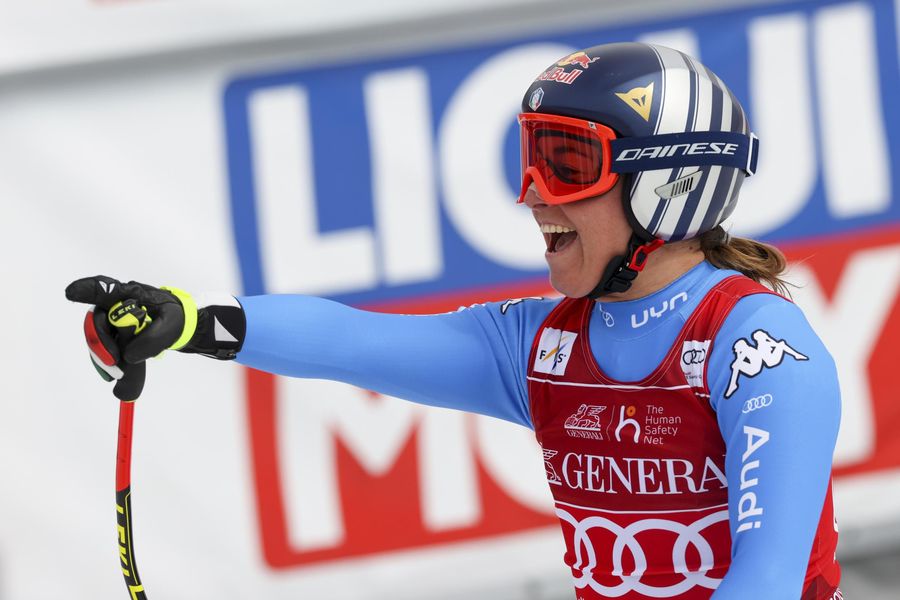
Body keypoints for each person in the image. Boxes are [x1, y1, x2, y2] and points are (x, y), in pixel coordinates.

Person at [66, 42, 842, 599]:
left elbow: (768, 579)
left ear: (670, 181)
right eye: (531, 157)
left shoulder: (755, 347)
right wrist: (188, 322)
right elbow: (356, 341)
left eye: (568, 164)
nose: (533, 193)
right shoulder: (541, 345)